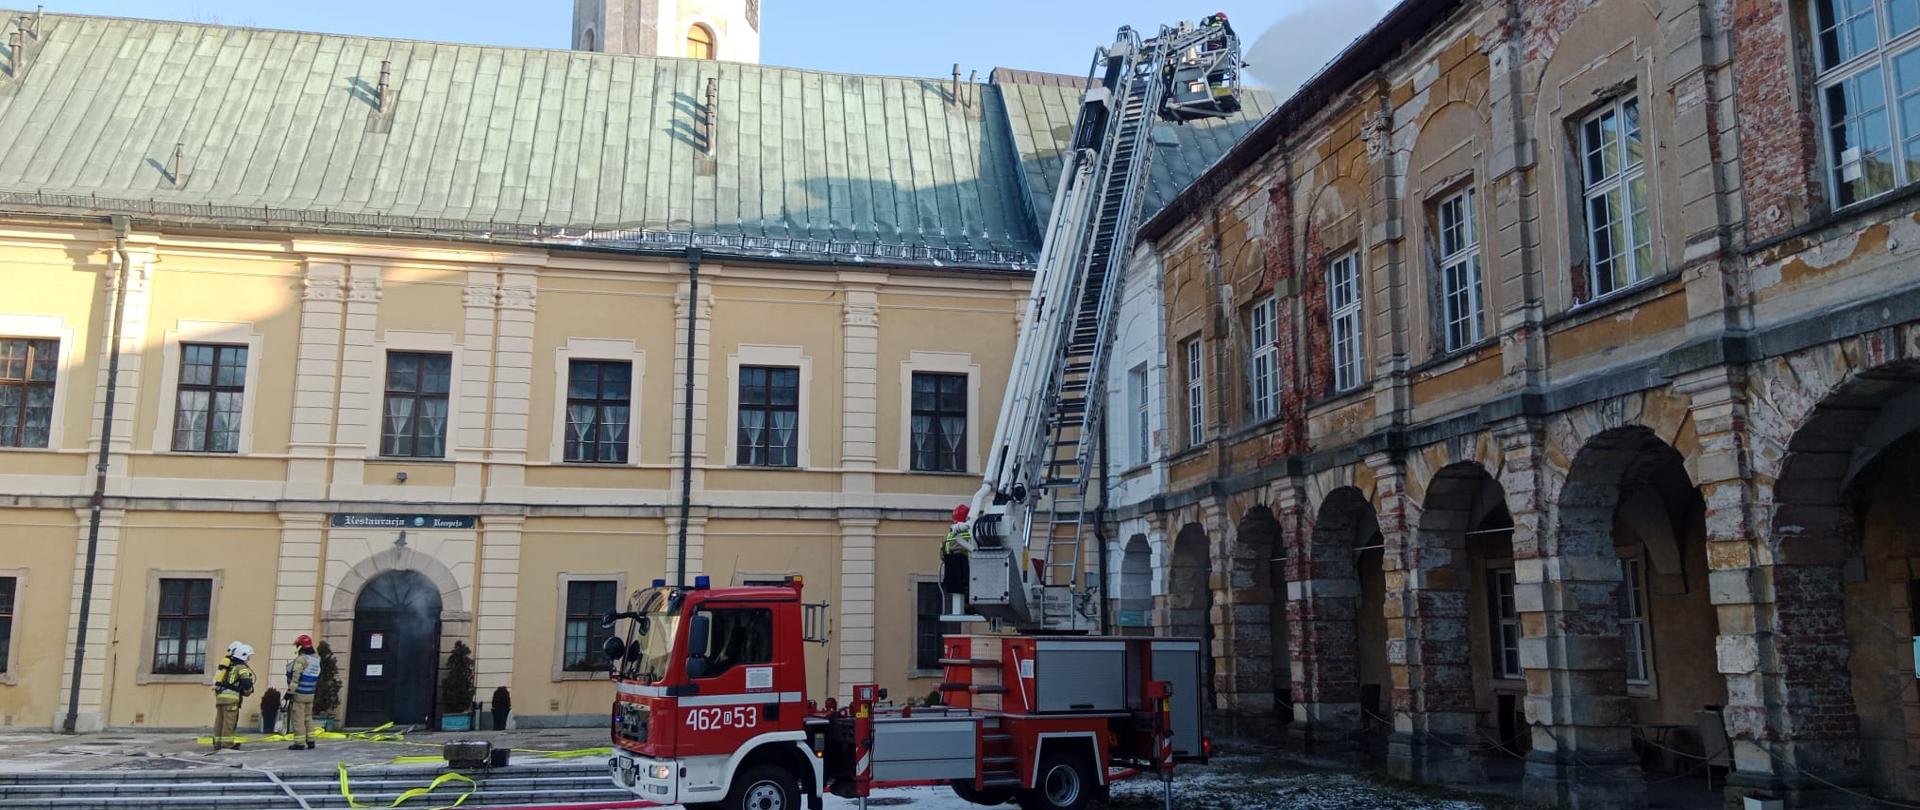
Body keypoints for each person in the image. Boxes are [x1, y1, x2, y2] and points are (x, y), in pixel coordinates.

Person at [211, 641, 255, 751]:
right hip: (231, 699)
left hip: (220, 697)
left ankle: (217, 744)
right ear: (243, 655)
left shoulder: (228, 666)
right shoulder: (241, 667)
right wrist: (247, 687)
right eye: (248, 656)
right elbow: (247, 684)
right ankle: (227, 744)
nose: (249, 659)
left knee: (219, 721)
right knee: (229, 722)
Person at [285, 634, 320, 750]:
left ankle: (299, 743)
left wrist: (290, 691)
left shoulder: (302, 659)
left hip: (300, 693)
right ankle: (311, 741)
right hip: (310, 693)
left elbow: (296, 677)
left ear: (301, 646)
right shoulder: (316, 658)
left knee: (298, 718)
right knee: (308, 717)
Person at [942, 504, 974, 616]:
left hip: (950, 573)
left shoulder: (948, 535)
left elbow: (942, 554)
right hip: (967, 572)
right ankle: (970, 606)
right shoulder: (971, 533)